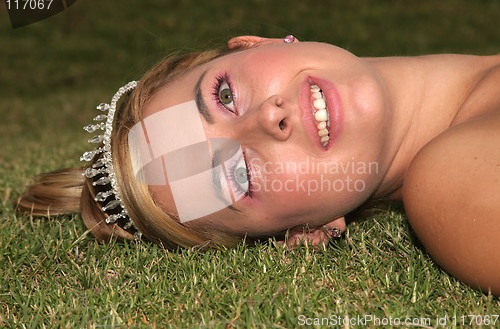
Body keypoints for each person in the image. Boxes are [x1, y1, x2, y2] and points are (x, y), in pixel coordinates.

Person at [16, 35, 500, 295]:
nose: (268, 119)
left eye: (224, 95)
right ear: (310, 229)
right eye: (238, 174)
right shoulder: (452, 180)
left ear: (259, 43)